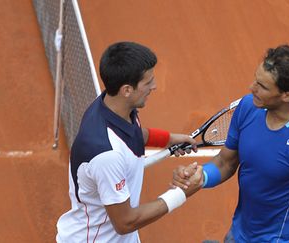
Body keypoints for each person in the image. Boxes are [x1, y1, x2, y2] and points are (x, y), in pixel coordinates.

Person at [173, 44, 289, 242]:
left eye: (262, 86)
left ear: (288, 95)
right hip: (239, 235)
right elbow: (226, 162)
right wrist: (202, 176)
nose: (251, 88)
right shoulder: (248, 107)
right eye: (256, 80)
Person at [56, 41, 203, 243]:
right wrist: (182, 193)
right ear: (127, 90)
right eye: (148, 82)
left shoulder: (111, 106)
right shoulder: (106, 154)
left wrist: (169, 139)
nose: (155, 86)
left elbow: (134, 134)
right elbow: (125, 222)